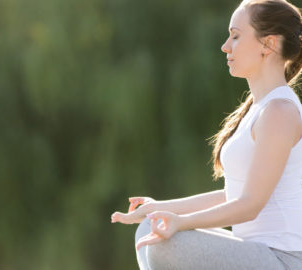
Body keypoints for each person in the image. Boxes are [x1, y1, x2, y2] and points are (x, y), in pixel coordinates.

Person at [110, 0, 302, 269]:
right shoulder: (259, 109)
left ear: (267, 45)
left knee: (166, 244)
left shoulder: (280, 111)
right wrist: (160, 208)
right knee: (148, 228)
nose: (225, 46)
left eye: (236, 36)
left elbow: (250, 205)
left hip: (283, 260)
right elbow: (234, 194)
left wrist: (182, 221)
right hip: (257, 252)